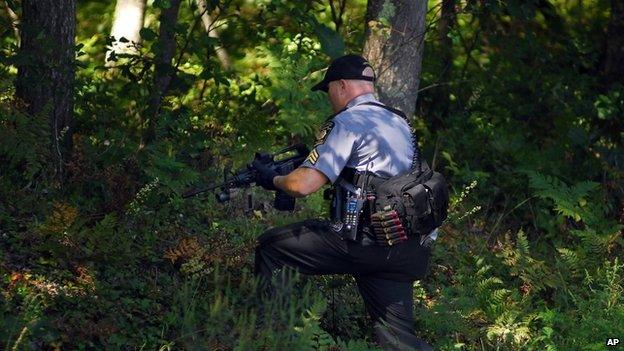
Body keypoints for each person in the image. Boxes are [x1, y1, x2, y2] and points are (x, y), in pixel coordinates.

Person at [252, 54, 434, 351]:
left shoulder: (349, 121)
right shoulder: (399, 121)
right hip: (407, 247)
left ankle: (275, 337)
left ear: (340, 86)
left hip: (365, 242)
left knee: (272, 250)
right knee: (398, 341)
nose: (330, 100)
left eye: (328, 92)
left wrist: (272, 180)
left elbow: (302, 185)